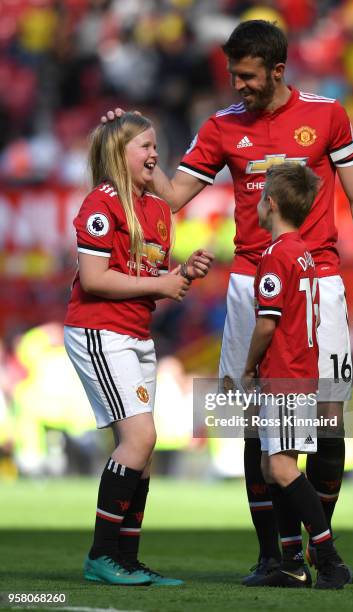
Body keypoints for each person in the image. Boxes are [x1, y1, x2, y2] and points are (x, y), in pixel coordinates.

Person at [104, 19, 353, 583]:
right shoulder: (222, 127)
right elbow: (177, 196)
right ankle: (273, 558)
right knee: (254, 417)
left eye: (249, 76)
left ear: (278, 70)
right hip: (250, 283)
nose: (239, 86)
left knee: (326, 420)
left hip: (318, 282)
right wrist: (128, 146)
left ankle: (309, 546)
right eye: (233, 74)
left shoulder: (327, 115)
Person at [64, 112, 213, 586]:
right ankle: (102, 556)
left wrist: (181, 275)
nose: (154, 154)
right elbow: (94, 279)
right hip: (100, 330)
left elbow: (147, 280)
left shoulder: (156, 210)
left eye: (156, 145)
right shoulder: (100, 204)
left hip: (133, 333)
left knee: (142, 450)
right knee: (139, 440)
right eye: (144, 147)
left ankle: (125, 559)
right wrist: (166, 283)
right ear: (118, 154)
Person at [241, 162, 353, 589]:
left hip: (285, 376)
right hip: (300, 374)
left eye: (260, 195)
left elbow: (267, 324)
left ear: (269, 205)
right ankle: (291, 562)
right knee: (274, 468)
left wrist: (249, 366)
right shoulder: (305, 252)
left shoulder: (275, 256)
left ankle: (328, 559)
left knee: (283, 470)